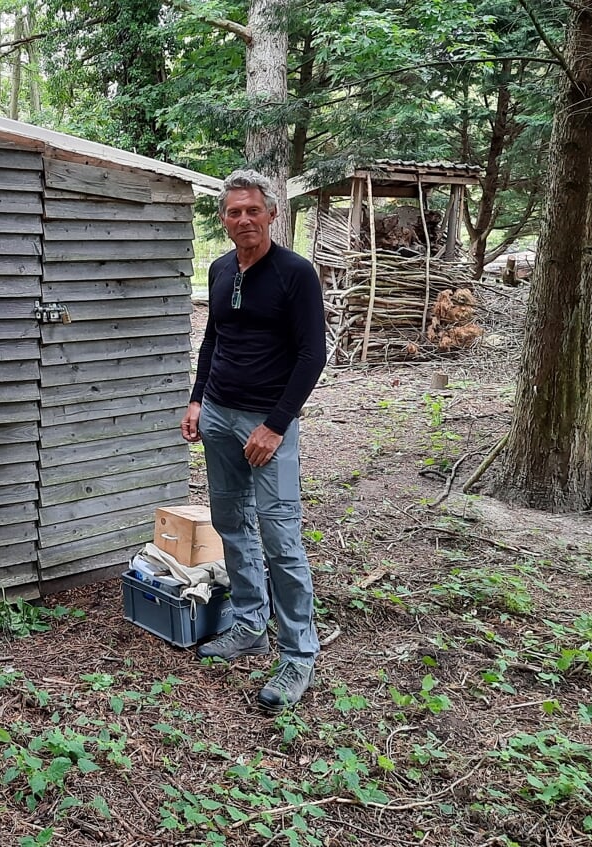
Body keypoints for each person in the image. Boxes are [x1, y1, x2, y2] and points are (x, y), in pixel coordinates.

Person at [180, 168, 326, 712]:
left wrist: (275, 424)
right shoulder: (220, 270)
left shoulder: (295, 274)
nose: (244, 219)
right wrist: (198, 400)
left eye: (253, 210)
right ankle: (248, 626)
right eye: (234, 211)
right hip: (218, 414)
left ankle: (298, 656)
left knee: (280, 537)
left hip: (268, 424)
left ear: (271, 215)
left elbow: (313, 354)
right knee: (231, 525)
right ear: (224, 218)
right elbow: (214, 339)